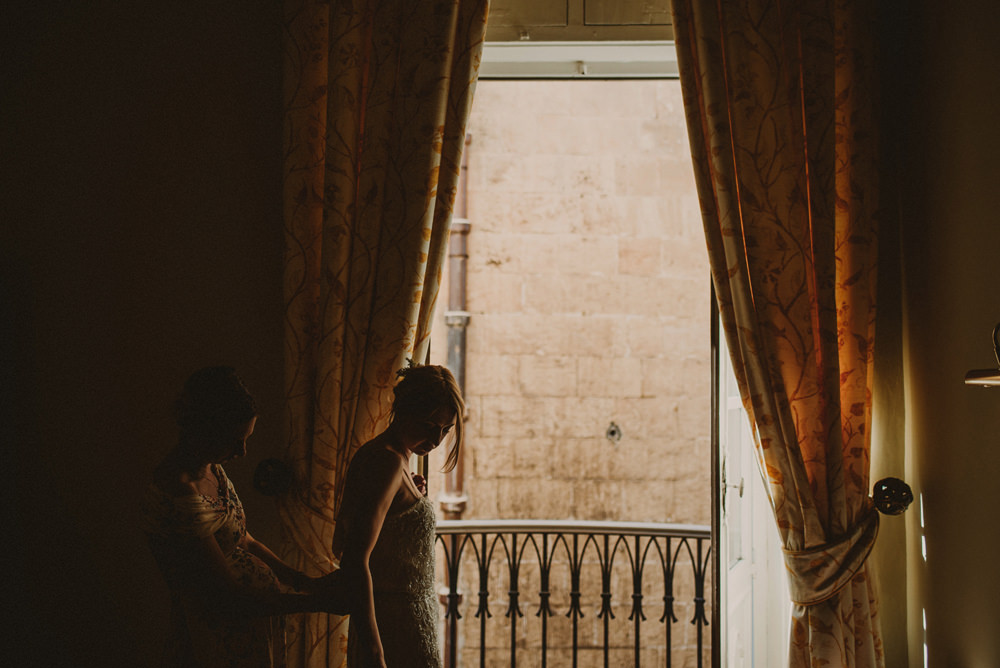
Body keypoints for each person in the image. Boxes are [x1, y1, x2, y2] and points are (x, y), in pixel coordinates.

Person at [141, 366, 343, 668]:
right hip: (218, 638)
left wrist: (304, 581)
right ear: (204, 429)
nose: (244, 451)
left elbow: (243, 539)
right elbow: (231, 597)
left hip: (248, 630)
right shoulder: (177, 491)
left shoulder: (213, 469)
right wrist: (318, 603)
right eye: (235, 440)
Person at [332, 362, 465, 668]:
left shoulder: (391, 458)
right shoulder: (387, 462)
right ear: (404, 410)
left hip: (408, 618)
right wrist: (376, 651)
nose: (436, 440)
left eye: (446, 429)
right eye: (429, 425)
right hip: (393, 625)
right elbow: (351, 556)